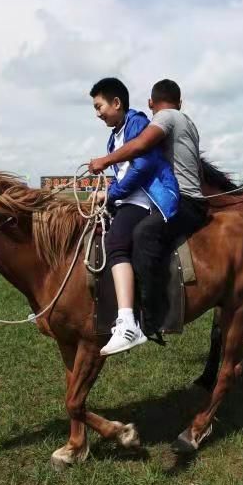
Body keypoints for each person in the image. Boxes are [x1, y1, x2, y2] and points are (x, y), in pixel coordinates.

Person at [89, 79, 208, 349]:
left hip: (179, 200)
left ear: (151, 104)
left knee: (144, 234)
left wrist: (105, 164)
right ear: (181, 100)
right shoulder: (187, 121)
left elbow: (142, 150)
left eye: (99, 107)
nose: (97, 114)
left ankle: (149, 319)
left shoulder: (163, 118)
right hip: (182, 197)